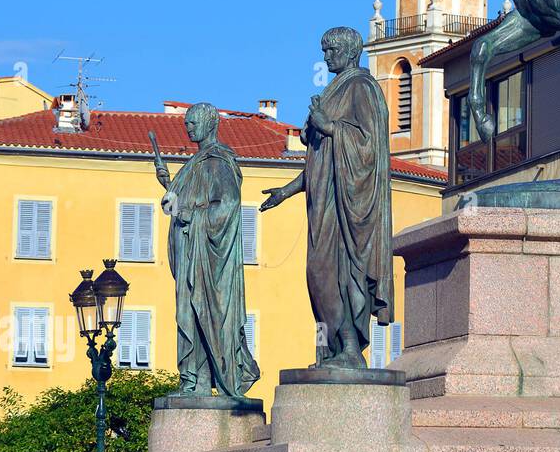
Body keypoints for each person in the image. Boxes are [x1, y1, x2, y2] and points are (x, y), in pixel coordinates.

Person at [260, 27, 394, 369]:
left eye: (331, 49)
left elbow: (369, 146)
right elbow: (319, 161)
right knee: (317, 276)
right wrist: (286, 192)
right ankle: (331, 349)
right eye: (324, 49)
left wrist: (329, 125)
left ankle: (350, 349)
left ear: (350, 52)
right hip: (322, 205)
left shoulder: (362, 88)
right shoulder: (334, 90)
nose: (325, 56)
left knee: (336, 272)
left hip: (349, 208)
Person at [157, 102, 259, 397]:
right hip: (189, 256)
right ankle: (193, 382)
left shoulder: (217, 162)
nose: (187, 127)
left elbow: (227, 206)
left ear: (210, 123)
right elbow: (175, 207)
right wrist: (171, 188)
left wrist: (191, 216)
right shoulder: (195, 163)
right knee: (188, 316)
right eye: (186, 122)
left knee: (201, 315)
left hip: (206, 261)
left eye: (192, 122)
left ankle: (198, 381)